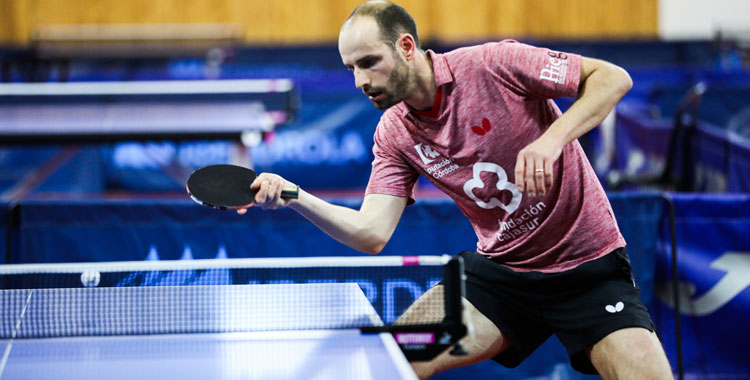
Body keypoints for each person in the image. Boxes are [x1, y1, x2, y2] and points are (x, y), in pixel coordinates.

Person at [241, 1, 674, 379]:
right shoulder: (394, 133)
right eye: (351, 68)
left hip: (587, 269)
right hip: (503, 276)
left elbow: (612, 78)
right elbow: (372, 233)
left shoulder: (494, 64)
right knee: (394, 361)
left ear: (406, 47)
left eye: (369, 62)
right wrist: (294, 196)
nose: (360, 81)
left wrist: (550, 141)